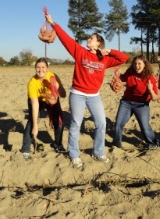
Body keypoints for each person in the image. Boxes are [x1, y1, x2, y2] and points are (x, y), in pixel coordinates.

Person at [45, 13, 128, 168]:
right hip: (77, 94)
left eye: (92, 38)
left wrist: (109, 51)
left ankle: (98, 152)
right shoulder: (80, 52)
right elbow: (65, 38)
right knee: (76, 123)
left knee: (101, 123)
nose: (88, 39)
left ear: (98, 44)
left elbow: (124, 58)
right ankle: (74, 155)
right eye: (89, 38)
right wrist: (53, 23)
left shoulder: (104, 59)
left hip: (94, 96)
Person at [20, 58, 66, 160]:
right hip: (37, 101)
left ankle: (58, 144)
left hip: (51, 99)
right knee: (32, 121)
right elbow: (35, 105)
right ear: (35, 68)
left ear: (47, 68)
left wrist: (56, 86)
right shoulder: (32, 82)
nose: (40, 70)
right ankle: (25, 149)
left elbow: (63, 95)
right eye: (38, 67)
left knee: (59, 121)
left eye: (43, 67)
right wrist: (36, 127)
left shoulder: (52, 76)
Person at [112, 55, 160, 149]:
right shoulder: (130, 72)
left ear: (145, 65)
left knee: (144, 126)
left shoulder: (150, 78)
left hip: (141, 105)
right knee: (118, 123)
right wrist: (117, 75)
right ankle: (116, 144)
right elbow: (123, 78)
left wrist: (150, 90)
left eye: (139, 64)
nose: (136, 66)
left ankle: (153, 142)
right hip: (126, 102)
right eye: (135, 64)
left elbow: (155, 98)